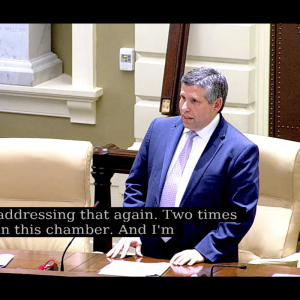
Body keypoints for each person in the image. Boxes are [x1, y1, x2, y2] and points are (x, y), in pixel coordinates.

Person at [106, 67, 259, 266]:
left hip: (202, 262)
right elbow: (137, 186)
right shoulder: (158, 129)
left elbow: (240, 214)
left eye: (194, 101)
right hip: (148, 255)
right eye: (182, 98)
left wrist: (202, 251)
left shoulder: (240, 150)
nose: (184, 107)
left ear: (217, 104)